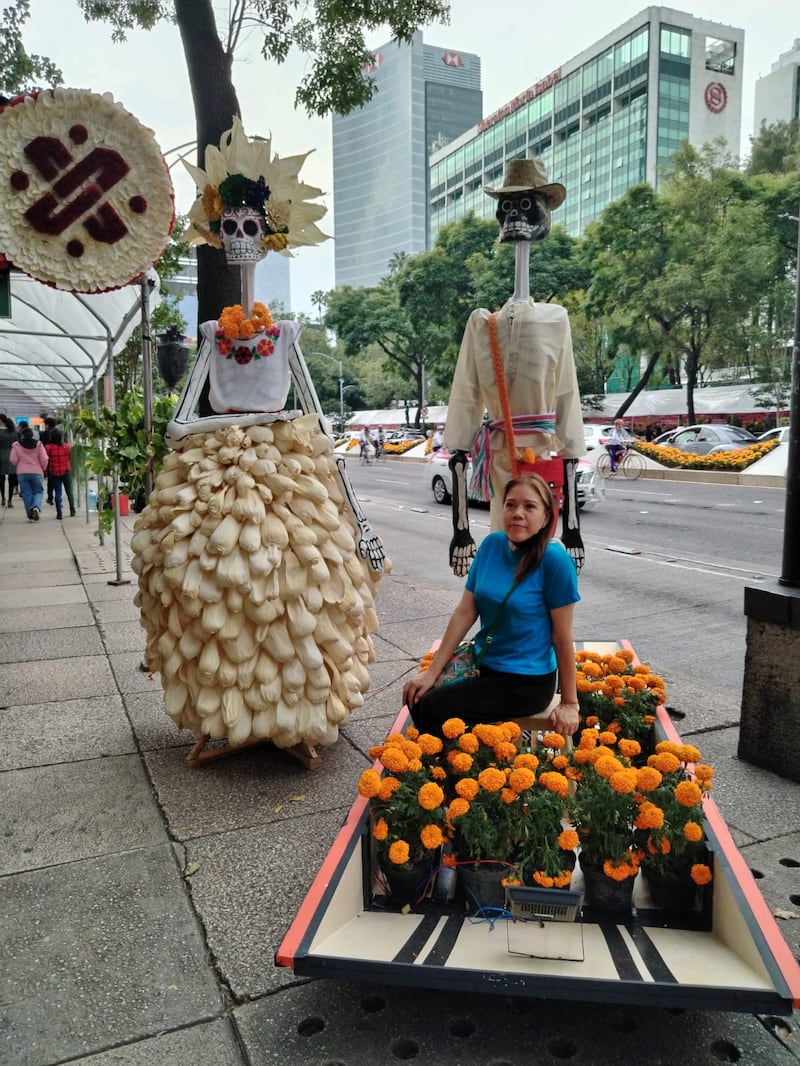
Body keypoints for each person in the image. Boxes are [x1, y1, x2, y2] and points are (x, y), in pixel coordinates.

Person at [402, 473, 580, 740]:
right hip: (483, 663)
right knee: (417, 694)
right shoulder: (491, 545)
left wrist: (570, 703)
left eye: (529, 506)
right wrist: (431, 672)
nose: (518, 513)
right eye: (510, 505)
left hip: (526, 681)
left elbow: (562, 638)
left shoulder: (555, 561)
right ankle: (454, 761)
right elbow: (465, 611)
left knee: (434, 706)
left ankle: (456, 774)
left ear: (546, 517)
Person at [10, 425, 48, 520]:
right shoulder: (39, 445)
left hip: (22, 473)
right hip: (37, 472)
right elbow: (44, 459)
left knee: (26, 493)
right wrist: (43, 468)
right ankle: (36, 507)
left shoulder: (16, 445)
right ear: (32, 435)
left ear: (22, 435)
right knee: (38, 492)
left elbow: (13, 460)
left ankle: (30, 514)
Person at [45, 428, 77, 519]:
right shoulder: (67, 447)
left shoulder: (48, 447)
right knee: (69, 491)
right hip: (66, 471)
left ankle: (59, 512)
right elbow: (71, 458)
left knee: (58, 492)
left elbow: (46, 459)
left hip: (54, 472)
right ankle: (72, 509)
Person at [0, 413, 19, 508]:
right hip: (12, 456)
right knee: (12, 479)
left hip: (1, 456)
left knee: (1, 479)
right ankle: (10, 500)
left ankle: (3, 498)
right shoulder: (14, 432)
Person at [38, 416, 57, 505]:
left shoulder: (43, 434)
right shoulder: (59, 432)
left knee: (50, 478)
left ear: (47, 425)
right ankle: (57, 494)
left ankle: (50, 497)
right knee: (58, 478)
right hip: (58, 457)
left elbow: (40, 446)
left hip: (47, 457)